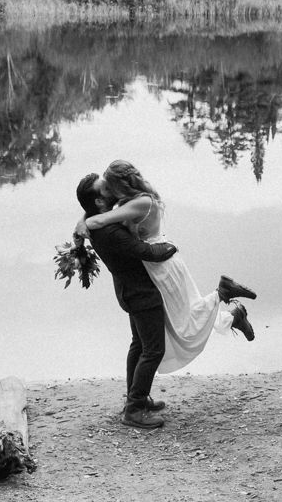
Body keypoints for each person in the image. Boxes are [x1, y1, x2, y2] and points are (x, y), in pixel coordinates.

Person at [75, 160, 256, 375]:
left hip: (162, 263)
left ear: (119, 186)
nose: (107, 190)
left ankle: (226, 300)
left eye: (108, 185)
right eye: (104, 188)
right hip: (154, 266)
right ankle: (232, 312)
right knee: (178, 321)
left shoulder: (139, 202)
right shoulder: (125, 201)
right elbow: (100, 216)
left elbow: (99, 221)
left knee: (182, 324)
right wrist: (83, 218)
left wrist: (84, 222)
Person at [76, 173, 177, 429]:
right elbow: (147, 252)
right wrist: (171, 247)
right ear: (99, 202)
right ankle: (134, 409)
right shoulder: (109, 231)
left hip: (128, 292)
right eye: (104, 188)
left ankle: (137, 398)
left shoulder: (96, 222)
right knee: (153, 350)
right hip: (142, 294)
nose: (110, 188)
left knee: (138, 345)